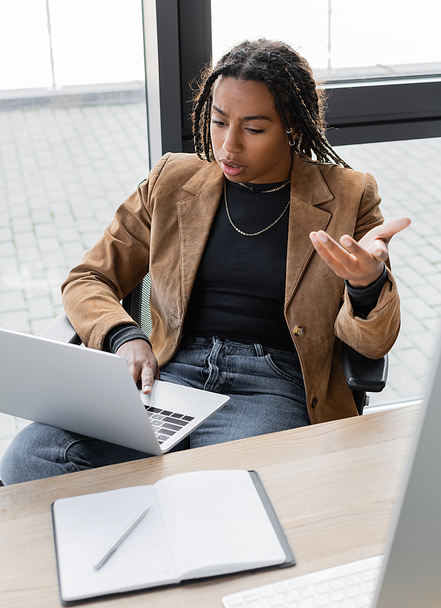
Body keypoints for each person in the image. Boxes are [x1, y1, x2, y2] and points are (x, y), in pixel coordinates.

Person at [1, 39, 409, 485]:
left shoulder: (349, 196)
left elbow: (372, 346)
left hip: (272, 384)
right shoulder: (172, 181)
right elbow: (88, 278)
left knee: (231, 493)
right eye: (218, 121)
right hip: (171, 372)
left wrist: (366, 286)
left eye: (253, 129)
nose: (228, 146)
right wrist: (124, 337)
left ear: (291, 124)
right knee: (34, 458)